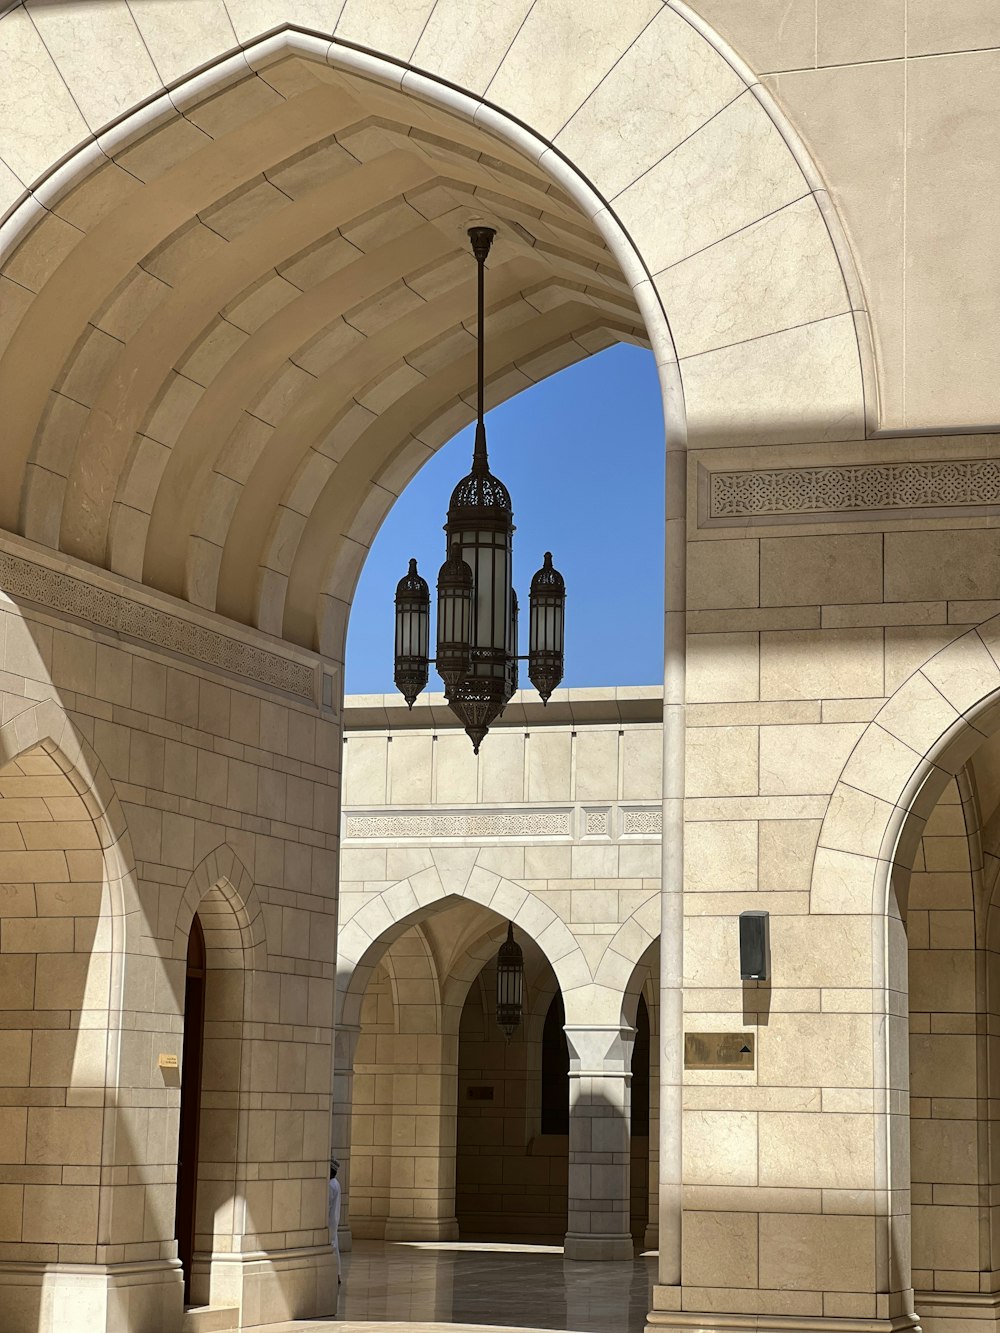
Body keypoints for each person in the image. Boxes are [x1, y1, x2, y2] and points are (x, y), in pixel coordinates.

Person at [328, 1160, 342, 1284]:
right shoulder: (335, 1183)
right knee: (335, 1245)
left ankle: (334, 1273)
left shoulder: (331, 1185)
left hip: (330, 1220)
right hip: (334, 1219)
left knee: (332, 1245)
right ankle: (337, 1273)